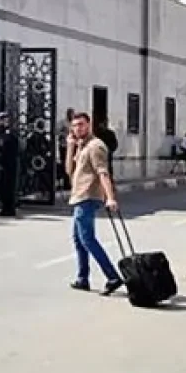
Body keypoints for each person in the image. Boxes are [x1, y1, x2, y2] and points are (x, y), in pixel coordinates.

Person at [65, 111, 123, 295]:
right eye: (75, 125)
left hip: (88, 196)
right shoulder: (81, 146)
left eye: (81, 124)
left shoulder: (96, 146)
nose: (78, 128)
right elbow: (69, 170)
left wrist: (110, 197)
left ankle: (112, 276)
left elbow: (103, 172)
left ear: (88, 125)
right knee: (79, 240)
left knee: (87, 239)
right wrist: (70, 147)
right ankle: (82, 278)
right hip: (79, 196)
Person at [0, 114, 20, 217]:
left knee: (7, 186)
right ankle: (7, 207)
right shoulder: (6, 133)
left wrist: (1, 159)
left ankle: (7, 208)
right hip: (9, 163)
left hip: (8, 164)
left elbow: (5, 149)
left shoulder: (8, 134)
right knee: (6, 186)